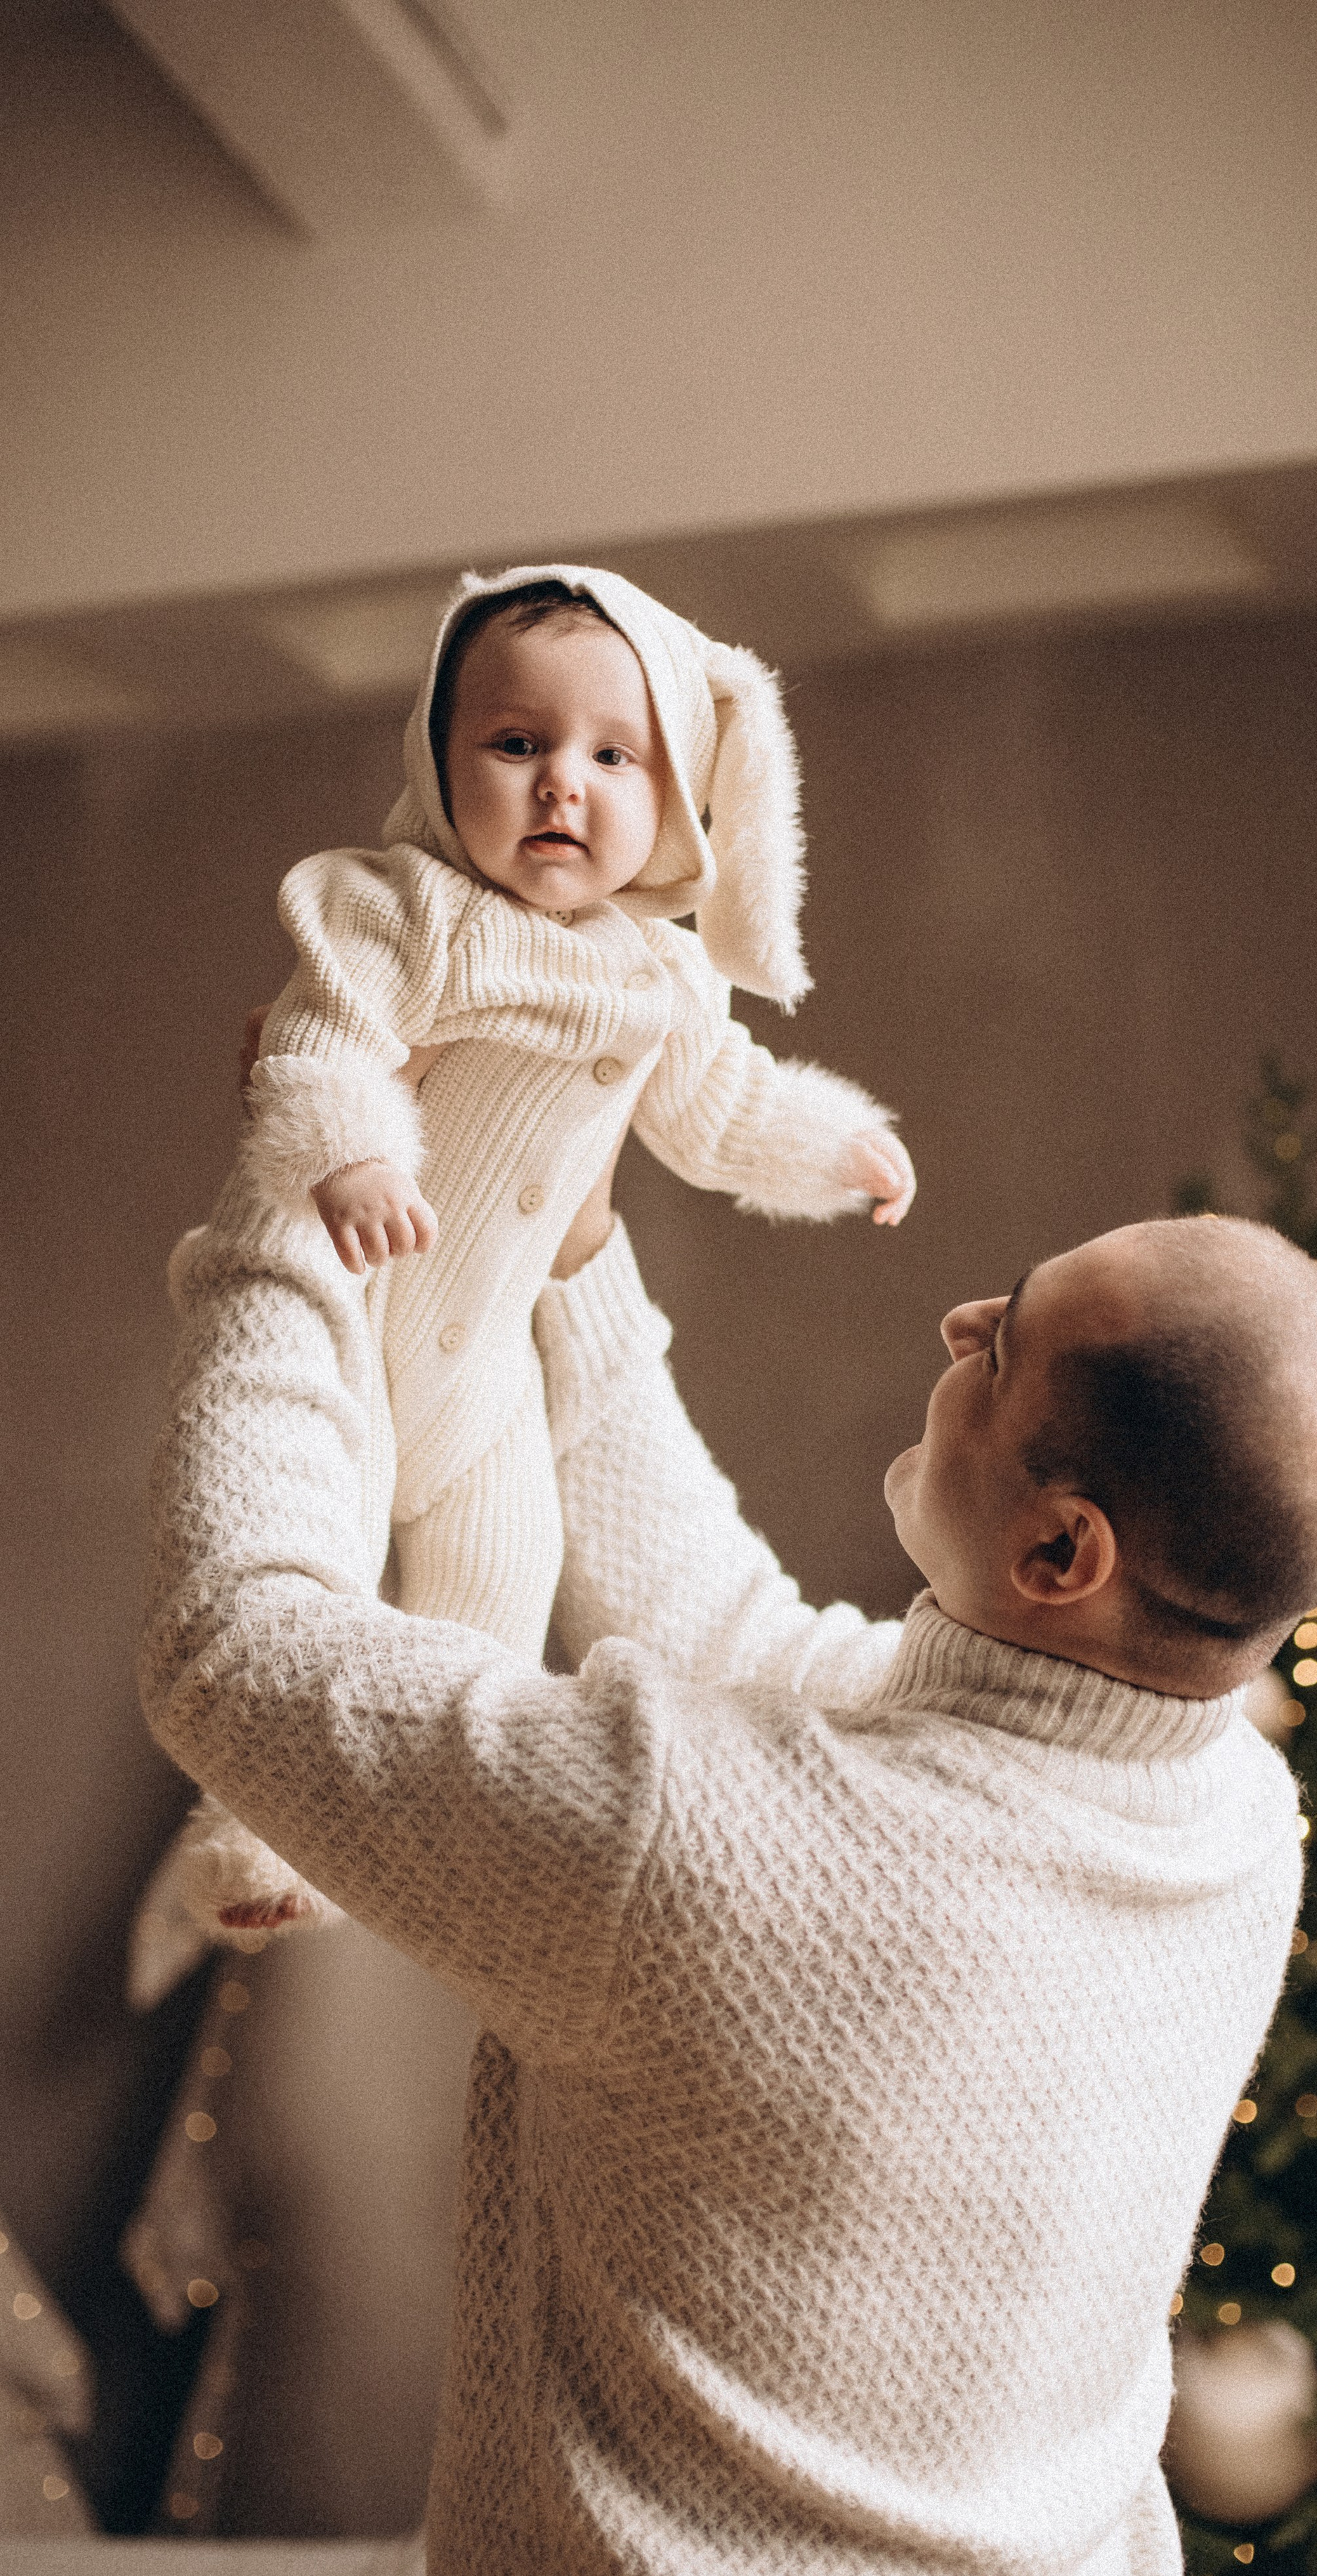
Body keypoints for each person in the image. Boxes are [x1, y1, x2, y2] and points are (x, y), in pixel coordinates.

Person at [140, 1143, 1317, 2576]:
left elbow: (234, 1642)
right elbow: (741, 1642)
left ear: (1057, 1553)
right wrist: (576, 1260)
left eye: (1004, 1340)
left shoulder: (688, 1840)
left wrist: (282, 1210)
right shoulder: (1231, 1819)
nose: (955, 1321)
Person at [181, 563, 914, 1934]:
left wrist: (835, 1149)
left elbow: (717, 1113)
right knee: (313, 1571)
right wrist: (351, 1159)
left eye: (609, 755)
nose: (558, 783)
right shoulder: (399, 909)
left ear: (674, 803)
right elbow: (313, 1046)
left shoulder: (660, 977)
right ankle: (256, 1834)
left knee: (494, 1597)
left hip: (488, 1374)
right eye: (514, 745)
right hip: (349, 1313)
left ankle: (414, 1839)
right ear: (439, 761)